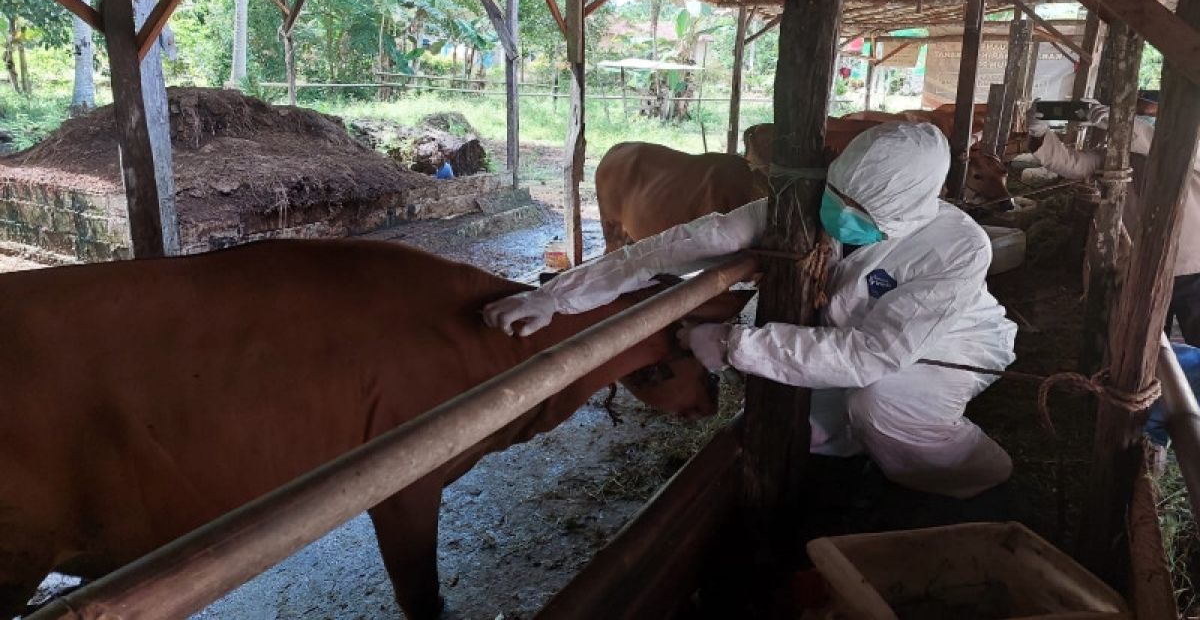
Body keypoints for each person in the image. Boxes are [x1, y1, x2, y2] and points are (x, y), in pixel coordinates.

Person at [483, 123, 1017, 499]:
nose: (838, 217)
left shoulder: (956, 248)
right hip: (846, 342)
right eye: (837, 198)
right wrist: (555, 296)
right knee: (791, 425)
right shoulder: (803, 207)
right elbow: (674, 246)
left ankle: (981, 477)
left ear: (907, 210)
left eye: (860, 213)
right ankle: (860, 459)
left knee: (879, 405)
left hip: (946, 351)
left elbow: (873, 356)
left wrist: (734, 344)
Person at [1027, 93, 1200, 345]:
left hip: (1193, 265)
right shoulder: (1120, 155)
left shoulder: (1190, 144)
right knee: (1143, 342)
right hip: (1143, 264)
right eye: (1140, 114)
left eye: (1150, 115)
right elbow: (1073, 164)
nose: (1145, 119)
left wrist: (1116, 122)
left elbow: (1160, 143)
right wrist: (1039, 133)